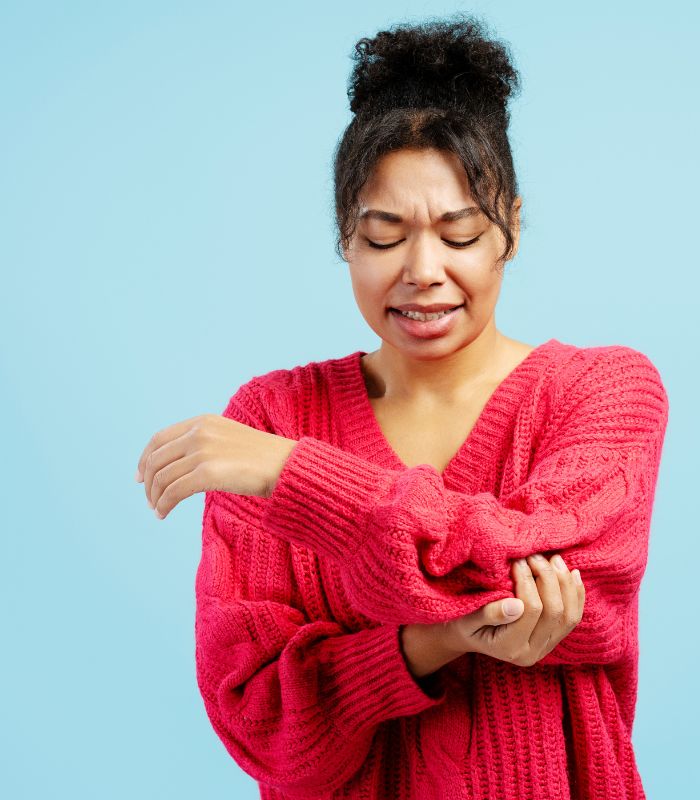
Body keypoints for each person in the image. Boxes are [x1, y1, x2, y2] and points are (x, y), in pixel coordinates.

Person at [135, 14, 669, 800]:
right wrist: (432, 640)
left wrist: (295, 477)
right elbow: (259, 719)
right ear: (344, 239)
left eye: (459, 234)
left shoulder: (604, 393)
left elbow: (576, 596)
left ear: (510, 230)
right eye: (384, 237)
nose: (423, 271)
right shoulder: (272, 411)